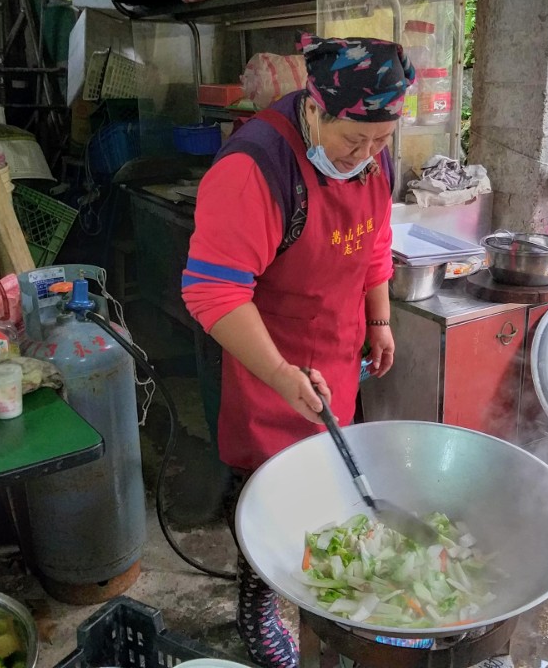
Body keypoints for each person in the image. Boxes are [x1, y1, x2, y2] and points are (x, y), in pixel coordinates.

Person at [182, 33, 415, 667]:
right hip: (261, 360)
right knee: (268, 498)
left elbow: (374, 241)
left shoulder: (373, 154)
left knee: (331, 485)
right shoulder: (256, 166)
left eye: (382, 142)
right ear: (314, 106)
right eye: (353, 141)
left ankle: (322, 598)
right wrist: (283, 376)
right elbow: (212, 294)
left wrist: (381, 319)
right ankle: (257, 605)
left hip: (335, 350)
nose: (368, 157)